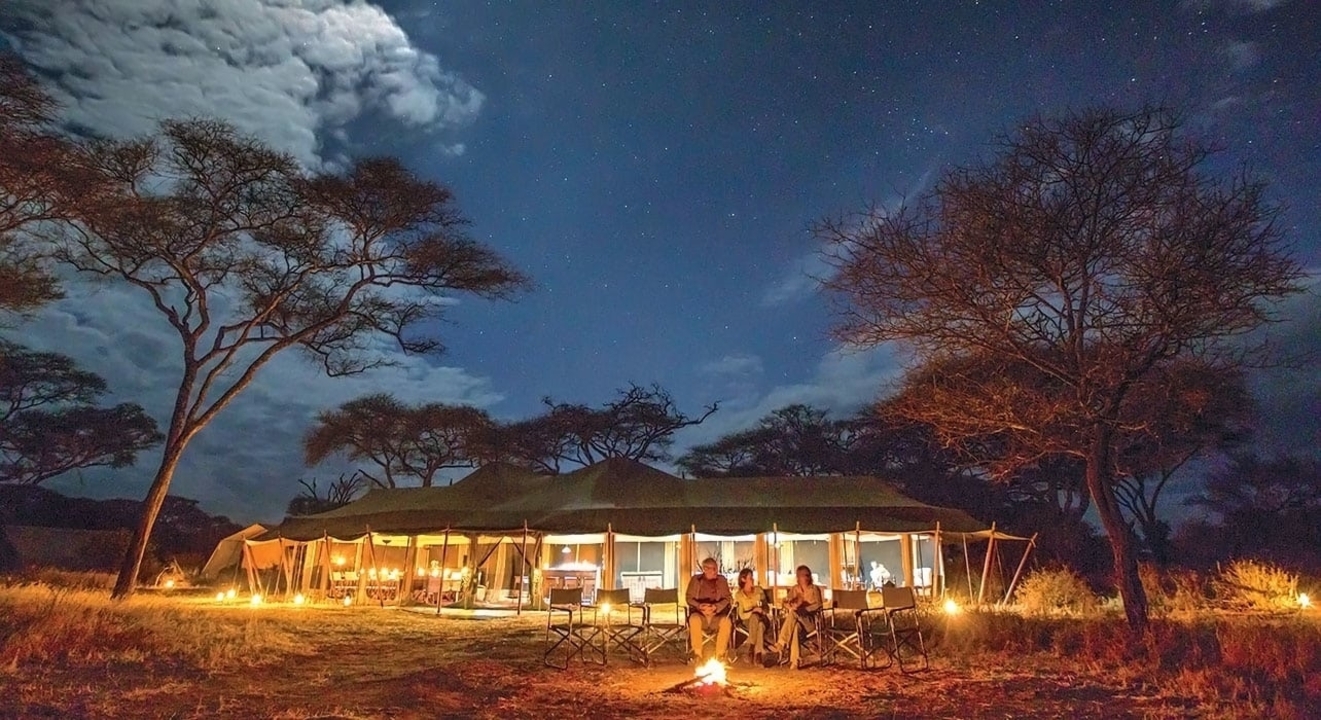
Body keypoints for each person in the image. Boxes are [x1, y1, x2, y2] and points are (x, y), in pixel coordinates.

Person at [771, 564, 823, 661]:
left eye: (808, 575)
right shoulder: (795, 589)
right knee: (795, 629)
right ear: (798, 577)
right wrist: (789, 605)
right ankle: (795, 661)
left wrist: (805, 609)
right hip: (799, 621)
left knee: (794, 613)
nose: (807, 577)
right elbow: (785, 601)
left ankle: (781, 643)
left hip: (810, 621)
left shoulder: (814, 589)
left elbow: (819, 605)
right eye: (804, 575)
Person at [685, 557, 733, 662]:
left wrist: (716, 607)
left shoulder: (721, 580)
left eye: (716, 568)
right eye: (713, 569)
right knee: (694, 620)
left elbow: (727, 598)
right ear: (705, 569)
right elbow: (689, 598)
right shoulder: (696, 580)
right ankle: (697, 654)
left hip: (717, 615)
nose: (716, 571)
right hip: (700, 614)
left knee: (726, 622)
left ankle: (720, 655)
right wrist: (699, 606)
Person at [732, 568, 769, 665]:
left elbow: (766, 608)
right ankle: (758, 655)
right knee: (757, 623)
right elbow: (742, 615)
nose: (753, 579)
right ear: (743, 579)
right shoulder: (739, 595)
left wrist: (762, 610)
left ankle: (751, 647)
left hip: (762, 618)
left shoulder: (759, 590)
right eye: (750, 577)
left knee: (757, 619)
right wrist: (753, 611)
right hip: (748, 621)